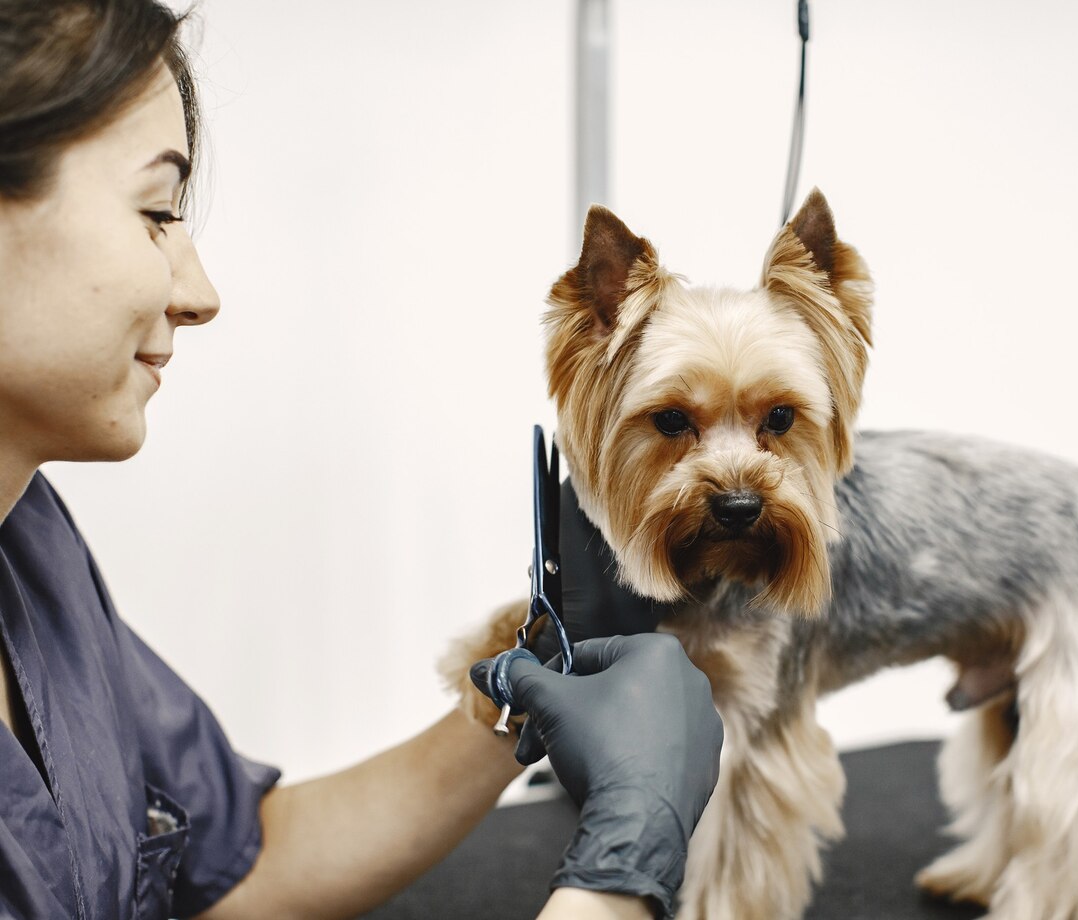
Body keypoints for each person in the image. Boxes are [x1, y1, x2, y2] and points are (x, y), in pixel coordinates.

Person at [0, 1, 723, 918]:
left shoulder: (29, 547)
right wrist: (621, 871)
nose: (200, 293)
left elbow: (239, 871)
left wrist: (531, 675)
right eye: (155, 212)